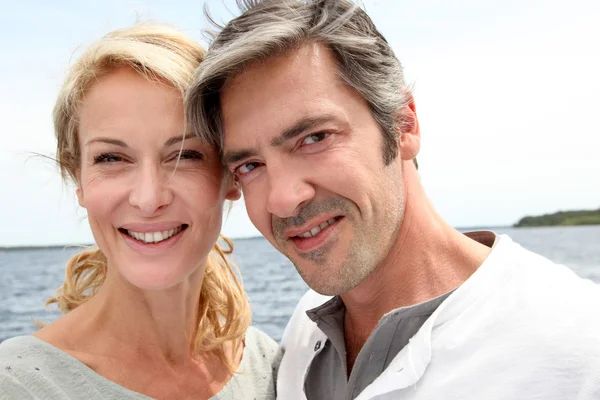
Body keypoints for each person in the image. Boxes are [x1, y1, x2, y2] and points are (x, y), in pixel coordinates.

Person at [186, 1, 600, 399]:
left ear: (403, 123)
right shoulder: (304, 332)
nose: (282, 199)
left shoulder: (577, 347)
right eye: (250, 165)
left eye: (314, 138)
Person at [0, 24, 279, 400]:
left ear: (231, 175)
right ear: (77, 177)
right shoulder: (18, 385)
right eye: (112, 158)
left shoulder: (274, 367)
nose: (149, 199)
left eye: (185, 156)